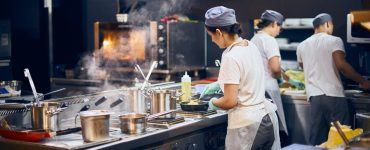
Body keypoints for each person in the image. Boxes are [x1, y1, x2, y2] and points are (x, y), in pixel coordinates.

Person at [203, 6, 280, 150]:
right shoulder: (250, 45)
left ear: (219, 32)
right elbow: (246, 79)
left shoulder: (231, 56)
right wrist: (219, 84)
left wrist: (211, 102)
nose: (212, 40)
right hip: (266, 119)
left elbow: (230, 101)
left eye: (211, 35)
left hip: (248, 127)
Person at [296, 13, 370, 145]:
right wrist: (363, 81)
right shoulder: (334, 40)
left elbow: (303, 67)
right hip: (334, 96)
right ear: (328, 24)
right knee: (340, 138)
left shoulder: (302, 45)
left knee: (317, 140)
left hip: (314, 97)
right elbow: (341, 65)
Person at [250, 10, 288, 137]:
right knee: (274, 129)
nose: (279, 31)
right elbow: (275, 68)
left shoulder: (254, 39)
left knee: (263, 130)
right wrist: (281, 79)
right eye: (279, 27)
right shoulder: (269, 40)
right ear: (274, 24)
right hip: (269, 90)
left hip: (257, 90)